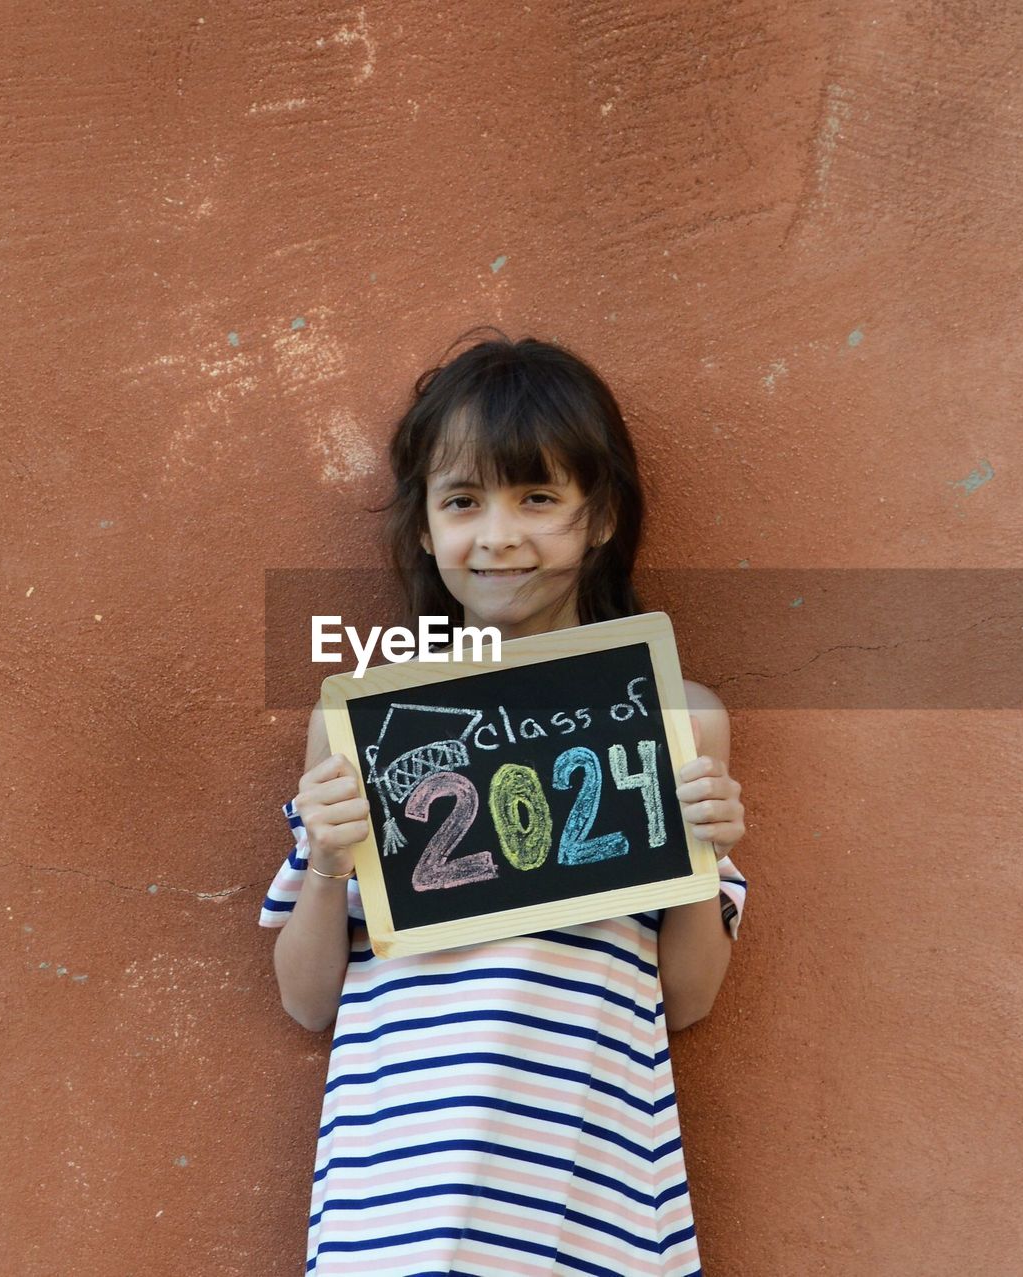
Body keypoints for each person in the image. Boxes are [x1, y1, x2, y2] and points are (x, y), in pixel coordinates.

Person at [260, 328, 749, 1276]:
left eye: (538, 497)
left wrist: (697, 854)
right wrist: (324, 862)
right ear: (424, 526)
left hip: (587, 1197)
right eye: (462, 500)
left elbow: (687, 999)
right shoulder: (365, 724)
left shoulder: (672, 716)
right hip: (391, 1205)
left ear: (600, 516)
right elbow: (305, 996)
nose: (499, 535)